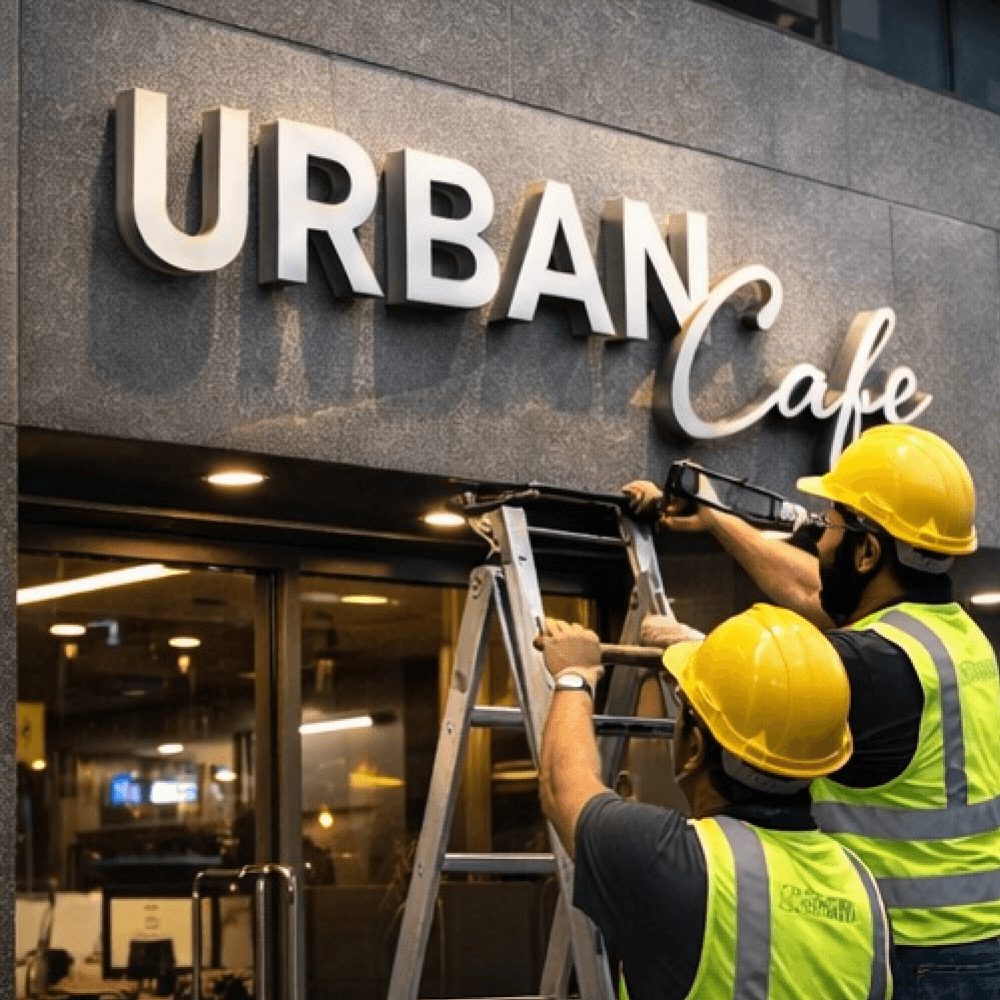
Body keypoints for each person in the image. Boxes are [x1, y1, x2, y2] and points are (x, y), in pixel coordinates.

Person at [626, 424, 1000, 997]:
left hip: (915, 954)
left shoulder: (869, 664)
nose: (820, 542)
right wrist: (721, 520)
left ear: (869, 550)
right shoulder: (955, 638)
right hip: (974, 945)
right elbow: (814, 594)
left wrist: (693, 648)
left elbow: (765, 683)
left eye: (829, 525)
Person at [537, 604, 893, 1000]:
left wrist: (574, 675)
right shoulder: (864, 891)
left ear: (694, 746)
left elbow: (561, 787)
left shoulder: (668, 860)